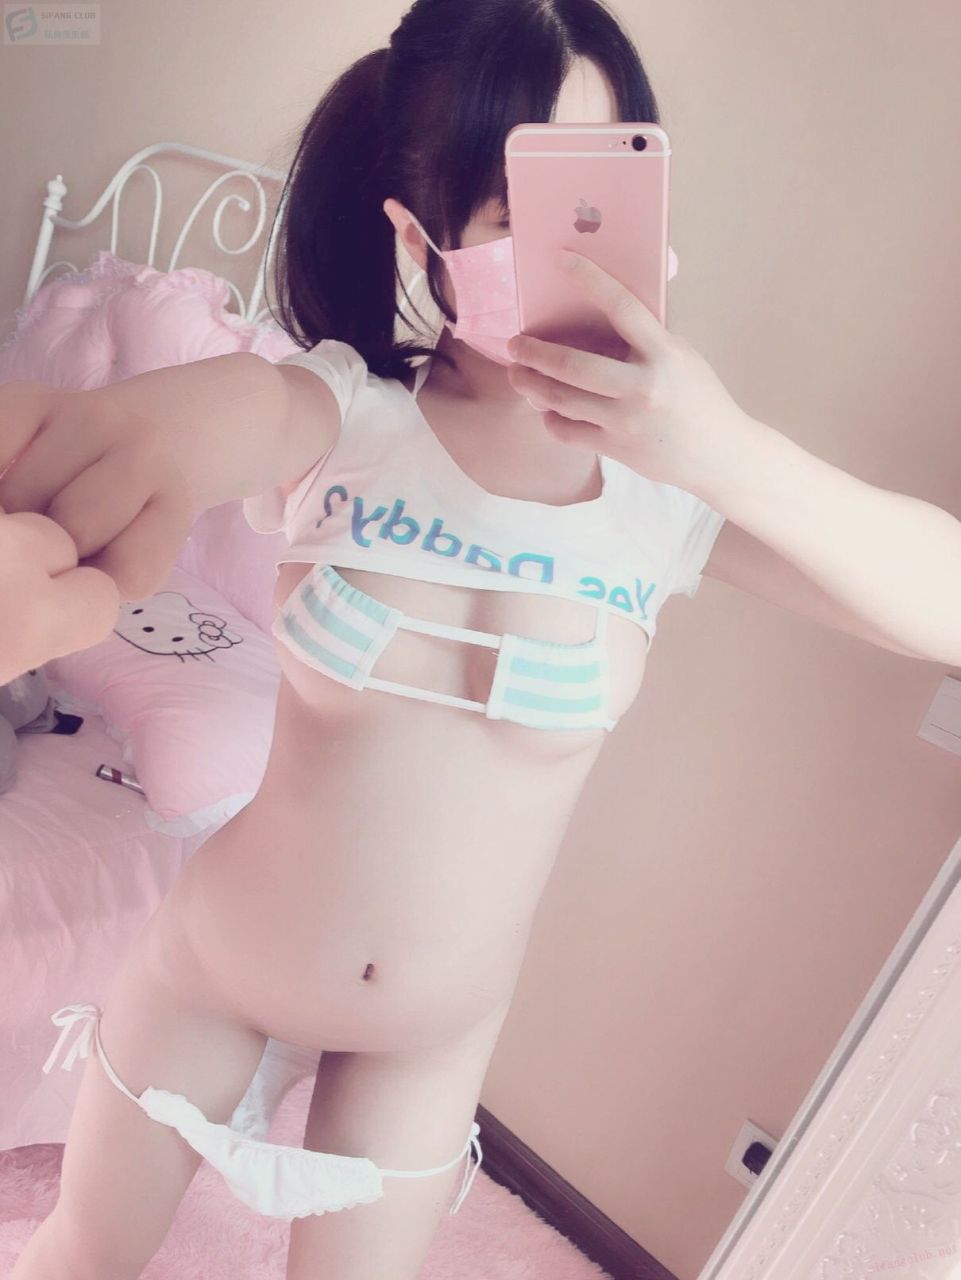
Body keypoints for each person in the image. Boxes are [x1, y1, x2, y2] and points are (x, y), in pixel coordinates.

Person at [2, 2, 776, 1276]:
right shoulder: (348, 415)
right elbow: (223, 411)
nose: (575, 250)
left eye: (602, 190)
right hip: (219, 964)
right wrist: (122, 436)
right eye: (517, 210)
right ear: (422, 237)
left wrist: (727, 449)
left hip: (427, 1043)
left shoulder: (671, 496)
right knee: (81, 1251)